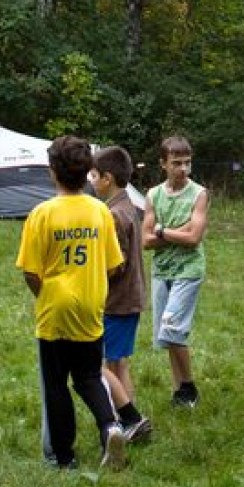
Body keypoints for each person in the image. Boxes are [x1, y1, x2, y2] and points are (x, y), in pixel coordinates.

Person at [16, 135, 127, 471]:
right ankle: (110, 426)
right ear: (87, 172)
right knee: (90, 375)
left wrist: (46, 296)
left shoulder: (41, 214)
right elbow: (114, 264)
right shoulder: (99, 212)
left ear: (52, 172)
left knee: (56, 385)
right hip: (91, 305)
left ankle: (64, 457)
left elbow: (31, 271)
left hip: (55, 310)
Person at [143, 135, 210, 408]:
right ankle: (178, 389)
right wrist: (177, 231)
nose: (183, 169)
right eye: (176, 163)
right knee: (165, 333)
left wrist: (162, 231)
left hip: (189, 269)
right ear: (163, 164)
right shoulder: (153, 195)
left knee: (172, 327)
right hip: (162, 270)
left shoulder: (199, 194)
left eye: (187, 163)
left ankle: (189, 386)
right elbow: (146, 241)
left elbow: (194, 238)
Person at [93, 146, 151, 441]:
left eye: (94, 175)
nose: (91, 181)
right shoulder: (128, 206)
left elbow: (115, 265)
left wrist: (91, 276)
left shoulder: (114, 214)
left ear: (107, 178)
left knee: (110, 364)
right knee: (119, 362)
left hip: (118, 302)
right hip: (130, 299)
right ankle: (128, 419)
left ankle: (130, 420)